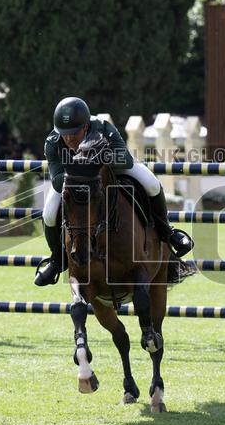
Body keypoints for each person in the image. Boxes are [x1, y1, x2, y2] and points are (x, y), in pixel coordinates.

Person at [33, 97, 194, 286]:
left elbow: (125, 159)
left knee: (152, 184)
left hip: (112, 171)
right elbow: (57, 179)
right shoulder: (52, 141)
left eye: (74, 133)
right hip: (72, 182)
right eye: (64, 134)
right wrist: (80, 172)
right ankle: (57, 260)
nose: (68, 139)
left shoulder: (103, 128)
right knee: (49, 214)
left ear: (86, 126)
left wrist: (98, 160)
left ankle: (168, 232)